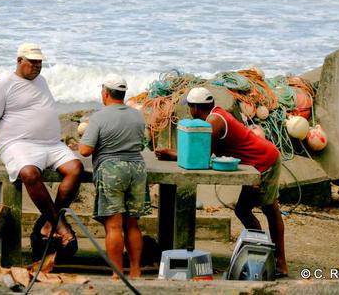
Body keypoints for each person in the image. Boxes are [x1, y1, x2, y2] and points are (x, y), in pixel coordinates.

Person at [0, 43, 83, 255]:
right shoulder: (3, 84)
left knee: (76, 168)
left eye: (39, 63)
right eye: (32, 62)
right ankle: (60, 225)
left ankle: (50, 223)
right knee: (29, 173)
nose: (36, 67)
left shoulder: (41, 81)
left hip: (51, 144)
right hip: (18, 144)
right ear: (19, 61)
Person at [155, 86, 288, 277]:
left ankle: (273, 260)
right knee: (253, 209)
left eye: (190, 108)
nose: (190, 112)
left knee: (265, 209)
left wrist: (171, 154)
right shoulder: (215, 115)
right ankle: (265, 254)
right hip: (261, 158)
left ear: (195, 108)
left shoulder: (214, 122)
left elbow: (200, 157)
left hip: (264, 160)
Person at [79, 74, 150, 279]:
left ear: (106, 93)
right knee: (133, 223)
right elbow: (141, 142)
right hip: (136, 169)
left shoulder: (99, 117)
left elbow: (85, 150)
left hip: (111, 170)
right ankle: (135, 270)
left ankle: (117, 273)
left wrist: (83, 137)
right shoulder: (137, 115)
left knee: (114, 225)